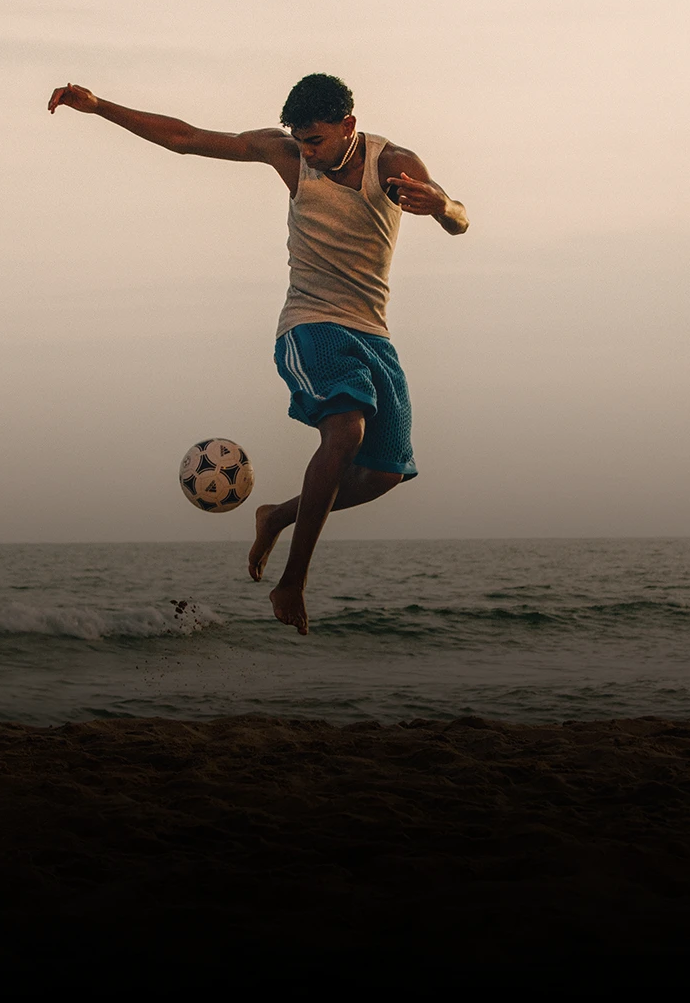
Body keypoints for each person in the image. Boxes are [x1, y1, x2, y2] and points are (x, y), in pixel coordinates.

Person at [48, 74, 467, 634]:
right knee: (345, 432)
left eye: (316, 140)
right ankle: (292, 581)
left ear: (349, 126)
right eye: (300, 140)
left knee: (386, 474)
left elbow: (460, 222)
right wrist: (99, 108)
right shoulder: (287, 153)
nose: (307, 153)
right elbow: (186, 137)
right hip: (309, 324)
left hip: (373, 331)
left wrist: (441, 205)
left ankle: (276, 516)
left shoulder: (392, 164)